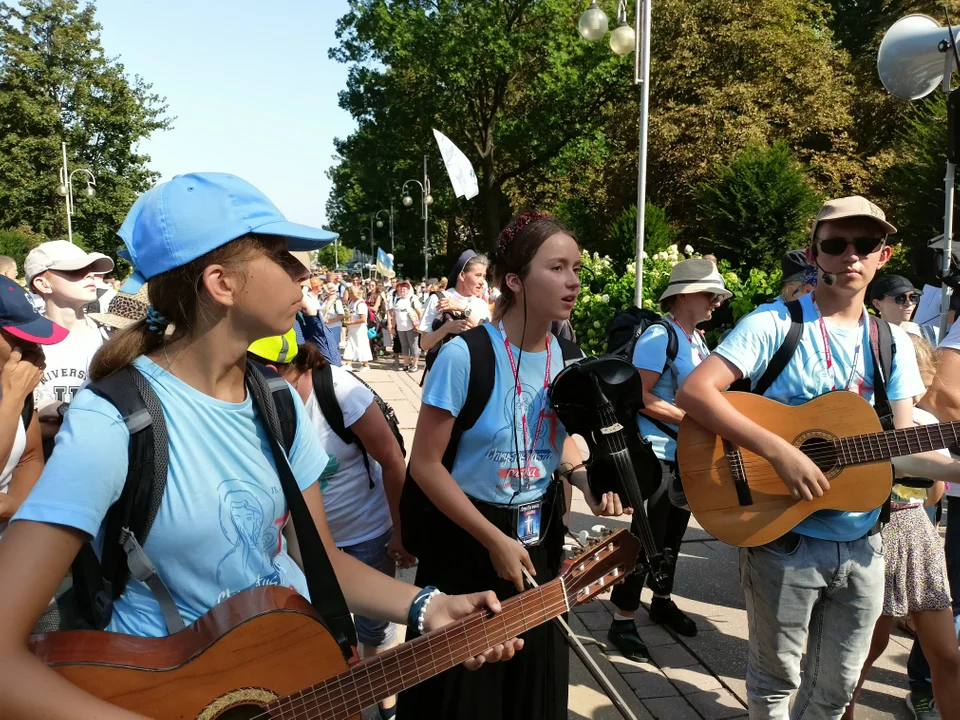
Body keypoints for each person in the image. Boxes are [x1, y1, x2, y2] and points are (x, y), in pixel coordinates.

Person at [0, 172, 521, 719]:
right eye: (282, 257)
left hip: (284, 680)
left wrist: (428, 606)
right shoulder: (114, 420)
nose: (305, 273)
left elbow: (318, 563)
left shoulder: (275, 399)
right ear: (222, 283)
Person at [677, 196, 950, 719]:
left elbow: (902, 448)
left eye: (864, 244)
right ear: (814, 253)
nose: (850, 255)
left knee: (837, 690)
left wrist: (954, 468)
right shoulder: (773, 325)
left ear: (883, 256)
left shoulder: (891, 341)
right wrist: (780, 451)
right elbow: (696, 391)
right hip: (783, 535)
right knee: (775, 685)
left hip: (866, 543)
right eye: (835, 244)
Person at [397, 212, 629, 720]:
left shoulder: (570, 356)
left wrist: (584, 478)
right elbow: (427, 466)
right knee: (462, 691)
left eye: (576, 268)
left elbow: (558, 438)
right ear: (515, 280)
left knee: (534, 682)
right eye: (557, 267)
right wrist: (492, 539)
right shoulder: (466, 355)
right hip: (466, 542)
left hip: (538, 539)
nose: (572, 281)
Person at [248, 333, 412, 720]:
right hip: (306, 546)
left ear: (270, 370)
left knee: (375, 633)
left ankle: (386, 710)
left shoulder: (341, 393)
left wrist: (401, 533)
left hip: (366, 535)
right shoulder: (264, 401)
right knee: (321, 638)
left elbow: (391, 460)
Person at [606, 259, 730, 659]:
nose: (715, 300)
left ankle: (661, 600)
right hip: (656, 455)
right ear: (682, 295)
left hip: (684, 455)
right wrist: (693, 421)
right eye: (708, 293)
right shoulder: (660, 336)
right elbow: (640, 397)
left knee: (674, 533)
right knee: (648, 536)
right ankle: (622, 618)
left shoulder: (697, 340)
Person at [843, 332, 960, 720]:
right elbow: (933, 495)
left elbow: (936, 491)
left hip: (904, 537)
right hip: (887, 533)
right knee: (864, 655)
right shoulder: (882, 417)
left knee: (869, 656)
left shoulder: (907, 419)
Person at [24, 240, 113, 455]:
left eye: (91, 269)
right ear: (43, 284)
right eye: (76, 270)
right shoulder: (25, 345)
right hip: (41, 470)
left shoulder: (110, 337)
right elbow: (22, 424)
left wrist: (55, 414)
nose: (90, 274)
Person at [0, 278, 65, 538]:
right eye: (19, 338)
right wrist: (13, 397)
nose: (33, 349)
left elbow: (30, 456)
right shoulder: (16, 387)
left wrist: (16, 505)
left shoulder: (16, 383)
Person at [419, 251, 491, 356]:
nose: (482, 281)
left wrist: (462, 308)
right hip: (442, 370)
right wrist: (446, 328)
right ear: (462, 275)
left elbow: (489, 337)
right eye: (478, 275)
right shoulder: (438, 299)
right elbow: (424, 344)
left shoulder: (481, 304)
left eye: (484, 276)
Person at [392, 281, 422, 372]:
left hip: (411, 327)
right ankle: (406, 365)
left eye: (404, 289)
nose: (402, 290)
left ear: (408, 290)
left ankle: (415, 365)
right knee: (404, 346)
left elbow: (419, 312)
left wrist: (419, 325)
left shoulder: (413, 299)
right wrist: (393, 327)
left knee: (413, 346)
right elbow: (394, 315)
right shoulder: (397, 300)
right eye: (400, 288)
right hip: (400, 328)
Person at [343, 284, 373, 372]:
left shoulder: (361, 304)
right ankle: (348, 363)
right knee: (350, 344)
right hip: (352, 328)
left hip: (360, 329)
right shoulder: (351, 302)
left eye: (350, 293)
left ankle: (366, 365)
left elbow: (363, 319)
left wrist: (350, 323)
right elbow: (349, 313)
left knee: (361, 345)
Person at [320, 281, 345, 366]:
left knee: (334, 346)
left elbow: (342, 315)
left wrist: (331, 320)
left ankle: (336, 364)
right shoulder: (326, 299)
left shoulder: (337, 301)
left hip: (334, 327)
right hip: (325, 327)